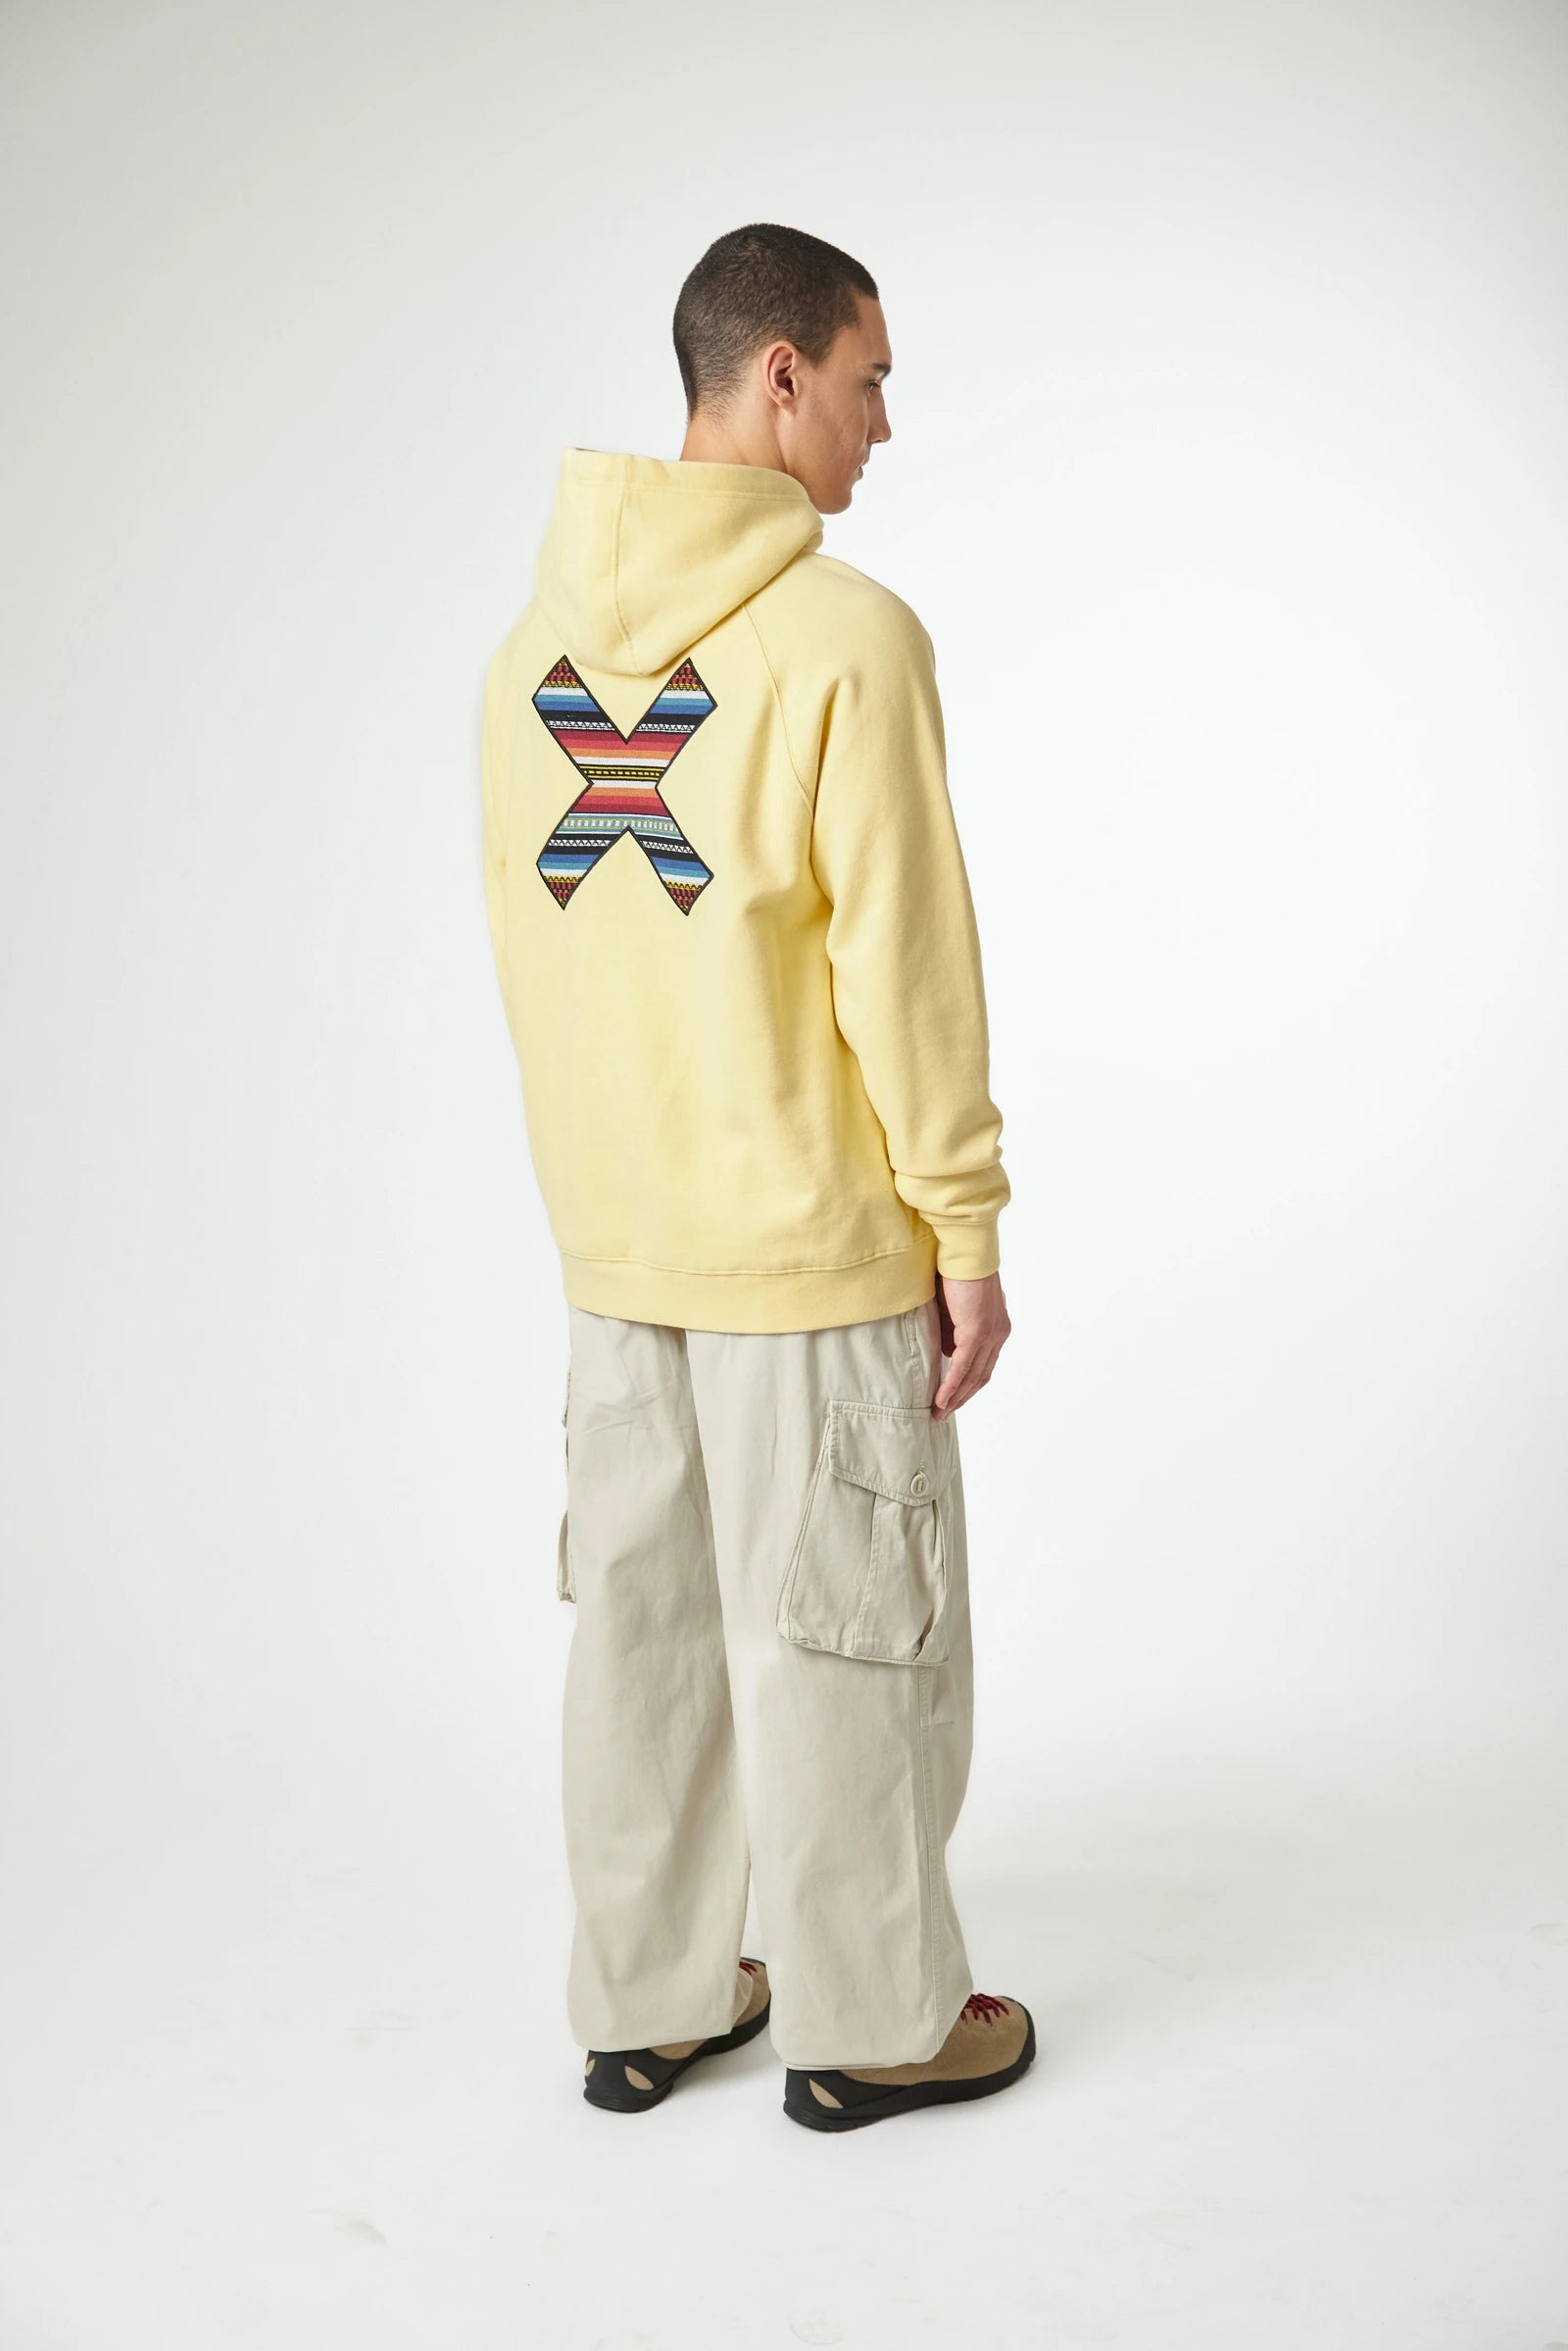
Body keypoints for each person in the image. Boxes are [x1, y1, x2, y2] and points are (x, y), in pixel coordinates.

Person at [478, 221, 1031, 2131]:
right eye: (868, 380)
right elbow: (907, 972)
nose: (882, 425)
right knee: (846, 1640)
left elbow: (538, 961)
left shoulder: (527, 660)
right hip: (807, 1248)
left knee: (639, 1644)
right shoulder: (846, 640)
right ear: (780, 373)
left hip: (616, 1254)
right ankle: (873, 2021)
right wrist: (962, 1224)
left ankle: (648, 2000)